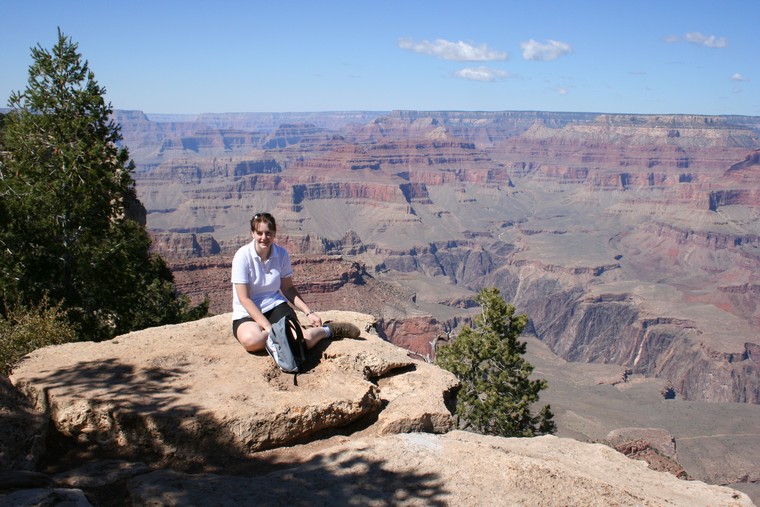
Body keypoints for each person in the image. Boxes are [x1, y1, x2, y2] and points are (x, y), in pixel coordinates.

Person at [231, 212, 360, 353]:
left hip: (274, 306)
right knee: (252, 341)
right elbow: (244, 298)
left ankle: (328, 330)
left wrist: (309, 312)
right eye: (259, 233)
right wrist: (269, 328)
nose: (264, 238)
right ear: (253, 234)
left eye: (268, 233)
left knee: (303, 341)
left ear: (274, 234)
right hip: (247, 312)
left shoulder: (281, 254)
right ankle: (284, 335)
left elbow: (288, 289)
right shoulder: (242, 256)